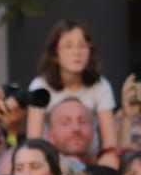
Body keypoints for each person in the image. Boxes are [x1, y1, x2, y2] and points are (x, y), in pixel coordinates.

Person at [25, 19, 119, 157]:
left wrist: (107, 162)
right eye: (69, 46)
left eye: (82, 46)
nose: (77, 52)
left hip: (90, 159)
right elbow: (33, 141)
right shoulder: (40, 86)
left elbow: (109, 143)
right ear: (55, 54)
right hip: (51, 161)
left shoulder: (101, 85)